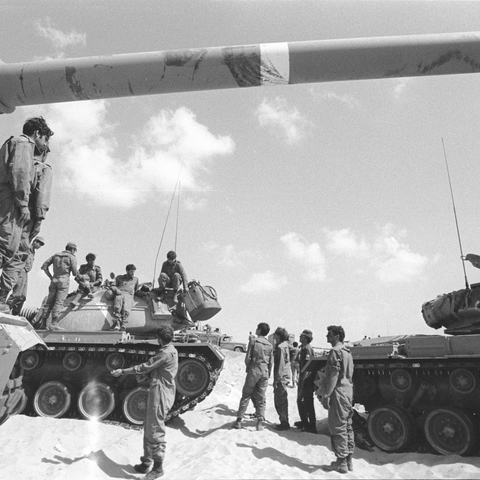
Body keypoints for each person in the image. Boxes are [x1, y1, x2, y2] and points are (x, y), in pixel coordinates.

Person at [111, 325, 178, 479]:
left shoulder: (165, 353)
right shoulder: (172, 349)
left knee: (155, 429)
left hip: (160, 393)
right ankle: (147, 462)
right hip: (159, 390)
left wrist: (123, 371)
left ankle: (158, 468)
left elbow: (144, 367)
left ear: (160, 339)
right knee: (149, 426)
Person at [0, 117, 53, 311]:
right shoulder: (24, 143)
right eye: (45, 139)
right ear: (37, 134)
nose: (45, 145)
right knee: (7, 248)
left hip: (10, 201)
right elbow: (20, 174)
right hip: (13, 203)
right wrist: (24, 205)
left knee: (14, 253)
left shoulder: (16, 144)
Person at [320, 325, 355, 474]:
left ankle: (341, 463)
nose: (327, 336)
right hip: (348, 392)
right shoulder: (347, 352)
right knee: (347, 426)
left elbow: (334, 376)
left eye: (330, 334)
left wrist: (326, 395)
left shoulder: (335, 352)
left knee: (337, 427)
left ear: (337, 336)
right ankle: (348, 461)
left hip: (338, 392)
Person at [232, 322, 273, 431]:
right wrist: (268, 373)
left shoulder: (254, 341)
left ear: (259, 330)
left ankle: (239, 421)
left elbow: (247, 359)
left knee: (246, 395)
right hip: (265, 371)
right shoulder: (269, 345)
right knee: (261, 397)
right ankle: (259, 423)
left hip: (254, 370)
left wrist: (249, 368)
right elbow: (271, 362)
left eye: (257, 328)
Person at [39, 241, 78, 330]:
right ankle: (54, 323)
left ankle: (43, 323)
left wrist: (50, 276)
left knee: (49, 302)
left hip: (54, 279)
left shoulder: (55, 255)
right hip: (64, 280)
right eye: (75, 250)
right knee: (59, 302)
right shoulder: (72, 257)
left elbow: (44, 266)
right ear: (72, 249)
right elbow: (75, 273)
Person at [6, 236, 45, 315]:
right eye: (39, 243)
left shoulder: (33, 251)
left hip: (25, 273)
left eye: (41, 245)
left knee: (22, 297)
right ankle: (5, 309)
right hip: (20, 271)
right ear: (35, 242)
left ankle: (15, 314)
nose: (39, 246)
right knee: (17, 294)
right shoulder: (26, 248)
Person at [294, 329, 317, 433]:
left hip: (306, 379)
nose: (300, 337)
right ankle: (304, 422)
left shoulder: (307, 349)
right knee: (303, 401)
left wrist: (303, 381)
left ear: (306, 338)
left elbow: (308, 367)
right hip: (303, 378)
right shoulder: (303, 348)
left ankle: (311, 425)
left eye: (302, 336)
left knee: (306, 401)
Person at [111, 263, 139, 331]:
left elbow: (137, 290)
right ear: (127, 271)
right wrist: (116, 290)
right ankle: (117, 323)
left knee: (126, 306)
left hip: (129, 294)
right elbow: (113, 286)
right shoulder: (120, 278)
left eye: (134, 271)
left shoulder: (135, 279)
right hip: (120, 293)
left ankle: (123, 323)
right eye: (131, 271)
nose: (133, 273)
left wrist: (144, 294)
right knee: (117, 304)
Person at [273, 327, 291, 431]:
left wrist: (277, 380)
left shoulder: (280, 347)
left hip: (281, 378)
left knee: (280, 401)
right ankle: (284, 421)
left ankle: (284, 422)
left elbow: (280, 365)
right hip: (285, 376)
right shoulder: (285, 346)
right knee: (283, 400)